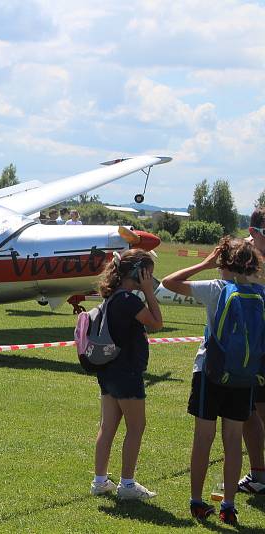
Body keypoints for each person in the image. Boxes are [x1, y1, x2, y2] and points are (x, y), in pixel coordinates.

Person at [162, 237, 264, 525]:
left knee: (203, 437)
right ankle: (229, 506)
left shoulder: (216, 289)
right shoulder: (261, 292)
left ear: (224, 263)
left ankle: (197, 501)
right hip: (244, 376)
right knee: (233, 440)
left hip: (210, 371)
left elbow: (169, 282)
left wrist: (205, 263)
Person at [90, 249, 162, 500]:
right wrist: (149, 292)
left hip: (109, 371)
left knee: (107, 427)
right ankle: (127, 485)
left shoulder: (112, 297)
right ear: (137, 273)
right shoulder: (129, 300)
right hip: (126, 371)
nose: (151, 279)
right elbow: (156, 322)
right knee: (136, 427)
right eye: (148, 274)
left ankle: (100, 481)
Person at [240, 206, 265, 495]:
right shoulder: (241, 255)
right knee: (245, 412)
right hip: (246, 347)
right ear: (252, 232)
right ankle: (258, 475)